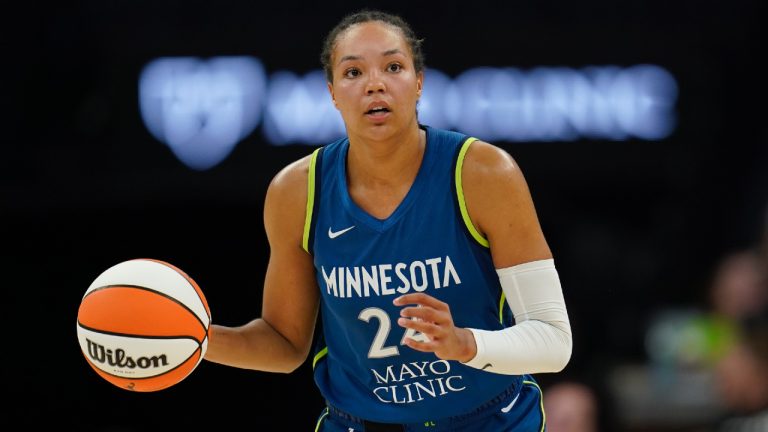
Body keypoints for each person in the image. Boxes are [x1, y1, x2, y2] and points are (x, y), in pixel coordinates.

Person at [204, 9, 572, 431]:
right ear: (332, 93)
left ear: (419, 83)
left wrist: (463, 343)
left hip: (490, 419)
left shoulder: (483, 173)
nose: (375, 83)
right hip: (362, 423)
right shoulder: (297, 191)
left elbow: (553, 340)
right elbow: (284, 344)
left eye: (393, 67)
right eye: (353, 72)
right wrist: (193, 340)